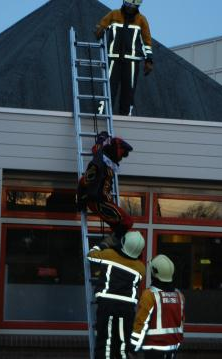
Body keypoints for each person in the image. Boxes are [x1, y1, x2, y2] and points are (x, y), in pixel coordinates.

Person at [87, 230, 146, 359]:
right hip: (127, 309)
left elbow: (90, 256)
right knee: (122, 344)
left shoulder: (109, 254)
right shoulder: (141, 268)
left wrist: (104, 244)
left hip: (107, 306)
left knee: (105, 342)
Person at [95, 0, 153, 116]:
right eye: (128, 4)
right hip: (113, 59)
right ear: (124, 3)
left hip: (131, 61)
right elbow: (101, 27)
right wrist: (99, 30)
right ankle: (101, 113)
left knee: (128, 90)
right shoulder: (114, 14)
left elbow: (146, 41)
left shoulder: (141, 20)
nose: (130, 7)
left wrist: (149, 60)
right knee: (108, 87)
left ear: (137, 5)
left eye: (133, 5)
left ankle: (126, 117)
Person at [77, 131, 133, 240]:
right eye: (122, 155)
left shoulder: (103, 156)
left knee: (118, 224)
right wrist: (81, 200)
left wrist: (102, 138)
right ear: (117, 151)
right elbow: (84, 181)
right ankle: (111, 243)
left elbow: (97, 148)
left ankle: (115, 242)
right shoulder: (99, 163)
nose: (121, 159)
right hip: (98, 201)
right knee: (127, 221)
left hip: (105, 200)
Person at [129, 254, 185, 359]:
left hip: (154, 350)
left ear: (154, 273)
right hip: (173, 349)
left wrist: (132, 348)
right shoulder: (179, 296)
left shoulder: (149, 295)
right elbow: (181, 323)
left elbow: (141, 324)